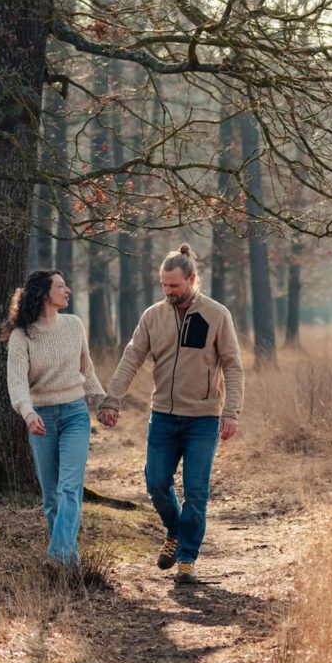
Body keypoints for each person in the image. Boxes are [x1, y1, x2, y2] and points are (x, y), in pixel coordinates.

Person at [97, 244, 243, 584]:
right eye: (164, 285)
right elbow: (132, 357)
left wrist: (231, 411)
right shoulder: (153, 316)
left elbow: (234, 367)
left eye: (174, 286)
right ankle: (175, 530)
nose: (168, 292)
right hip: (162, 415)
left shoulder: (216, 315)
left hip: (203, 418)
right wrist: (112, 399)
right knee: (156, 483)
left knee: (196, 491)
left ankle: (188, 558)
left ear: (191, 279)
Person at [5, 270, 107, 570]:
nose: (68, 290)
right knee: (51, 497)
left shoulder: (74, 325)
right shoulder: (21, 335)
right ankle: (70, 565)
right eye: (61, 286)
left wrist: (103, 402)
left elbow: (86, 370)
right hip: (42, 419)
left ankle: (57, 558)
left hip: (75, 414)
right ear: (43, 293)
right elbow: (16, 381)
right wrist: (27, 412)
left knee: (69, 488)